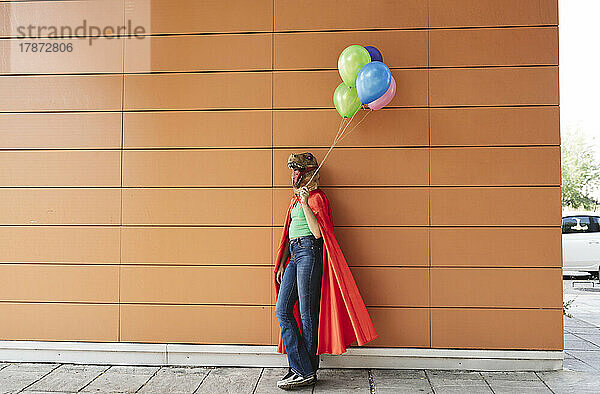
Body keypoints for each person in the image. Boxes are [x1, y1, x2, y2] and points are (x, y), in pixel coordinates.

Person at [273, 152, 378, 390]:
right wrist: (281, 263)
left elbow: (318, 233)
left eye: (298, 171)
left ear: (310, 173)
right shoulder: (293, 199)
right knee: (282, 311)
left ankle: (303, 370)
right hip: (294, 254)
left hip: (309, 252)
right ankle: (303, 368)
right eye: (293, 171)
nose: (294, 175)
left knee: (309, 315)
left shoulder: (317, 197)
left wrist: (305, 201)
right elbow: (289, 232)